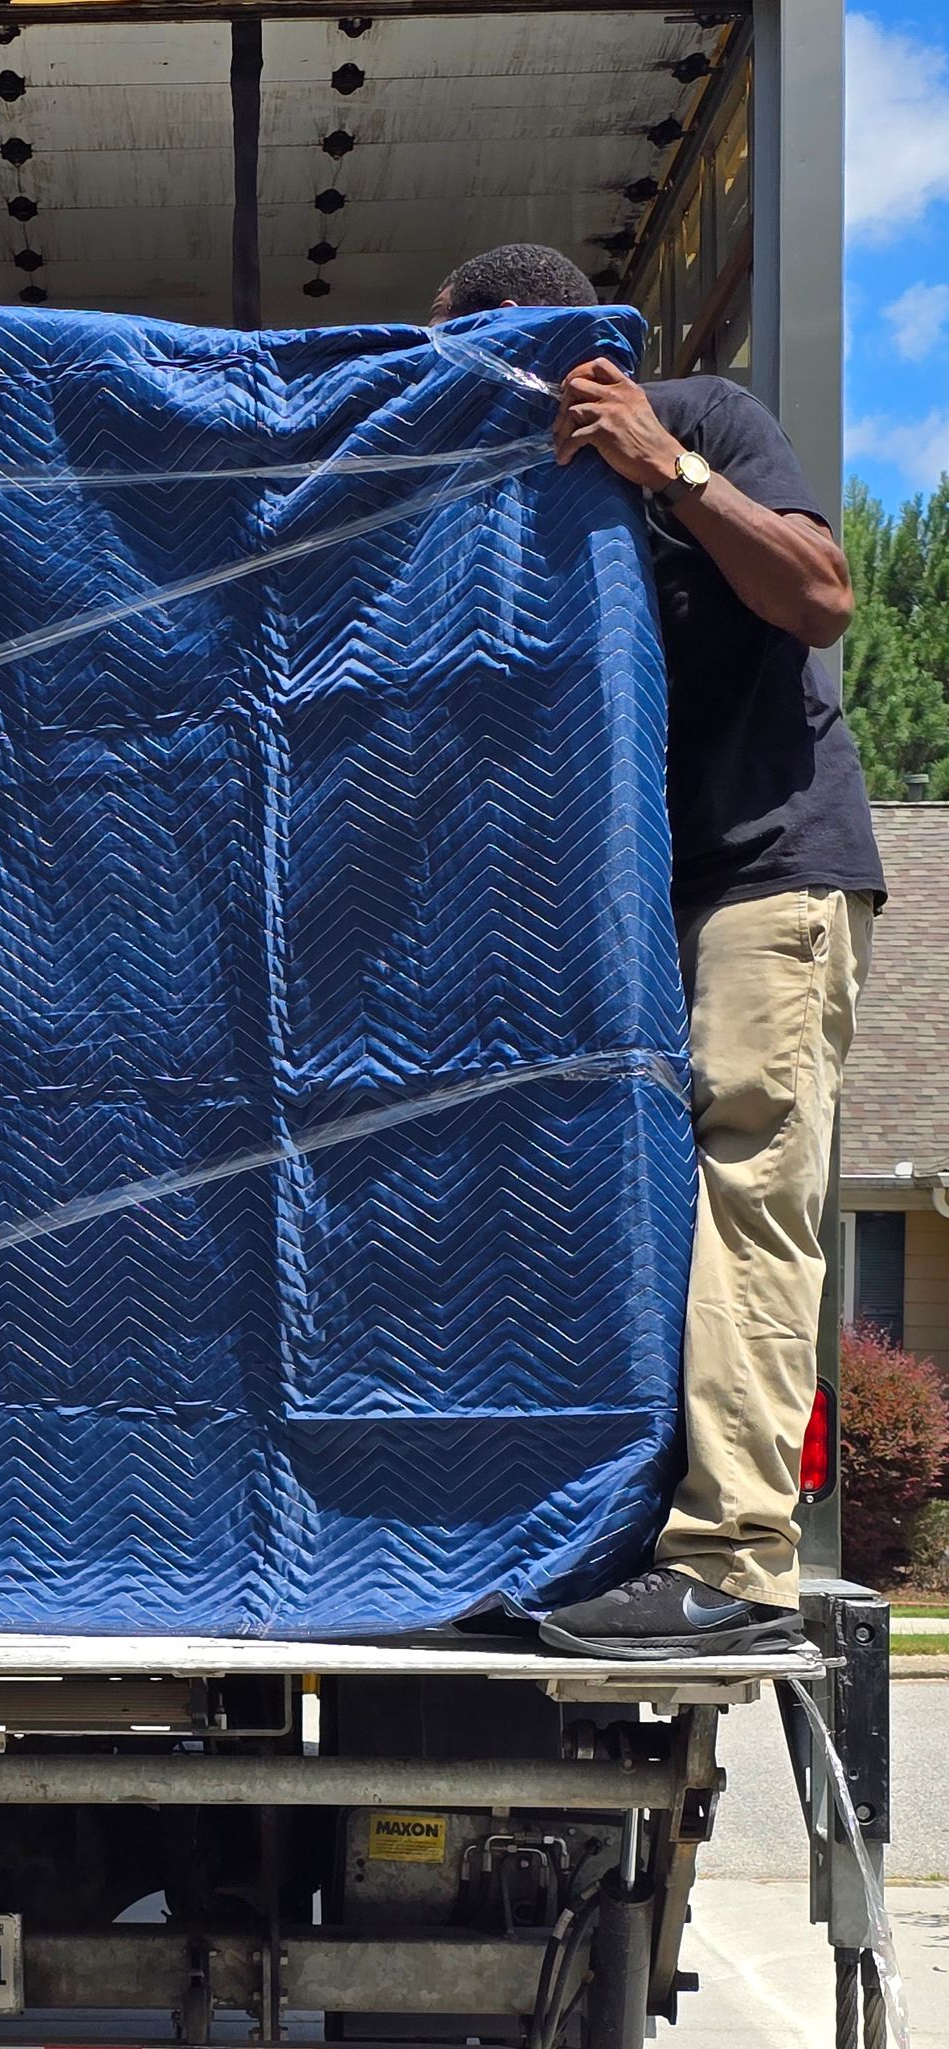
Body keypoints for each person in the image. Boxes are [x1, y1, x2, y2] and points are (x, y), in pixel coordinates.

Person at [428, 244, 883, 1657]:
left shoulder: (702, 422)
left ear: (560, 348)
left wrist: (666, 467)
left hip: (763, 874)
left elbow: (821, 596)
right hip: (614, 905)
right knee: (589, 1196)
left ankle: (735, 1561)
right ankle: (576, 1538)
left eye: (480, 367)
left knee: (748, 1181)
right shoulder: (486, 505)